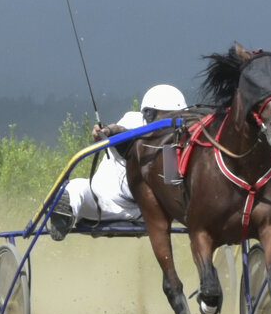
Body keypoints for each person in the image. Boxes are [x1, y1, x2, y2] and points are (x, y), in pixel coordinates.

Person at [49, 84, 188, 240]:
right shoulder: (133, 121)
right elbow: (118, 129)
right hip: (106, 202)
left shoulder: (174, 144)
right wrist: (106, 131)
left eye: (176, 117)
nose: (170, 124)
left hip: (148, 210)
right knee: (75, 188)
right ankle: (62, 219)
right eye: (167, 117)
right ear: (149, 114)